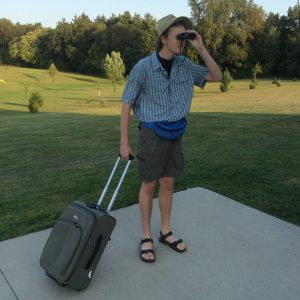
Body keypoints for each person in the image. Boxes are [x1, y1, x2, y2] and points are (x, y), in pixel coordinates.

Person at [120, 14, 222, 263]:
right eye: (179, 36)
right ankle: (146, 235)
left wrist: (201, 48)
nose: (183, 41)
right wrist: (124, 141)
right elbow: (126, 103)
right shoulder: (144, 67)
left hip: (176, 132)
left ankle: (165, 231)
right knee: (149, 185)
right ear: (163, 38)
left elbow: (216, 76)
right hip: (152, 133)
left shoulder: (185, 65)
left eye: (185, 36)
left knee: (167, 183)